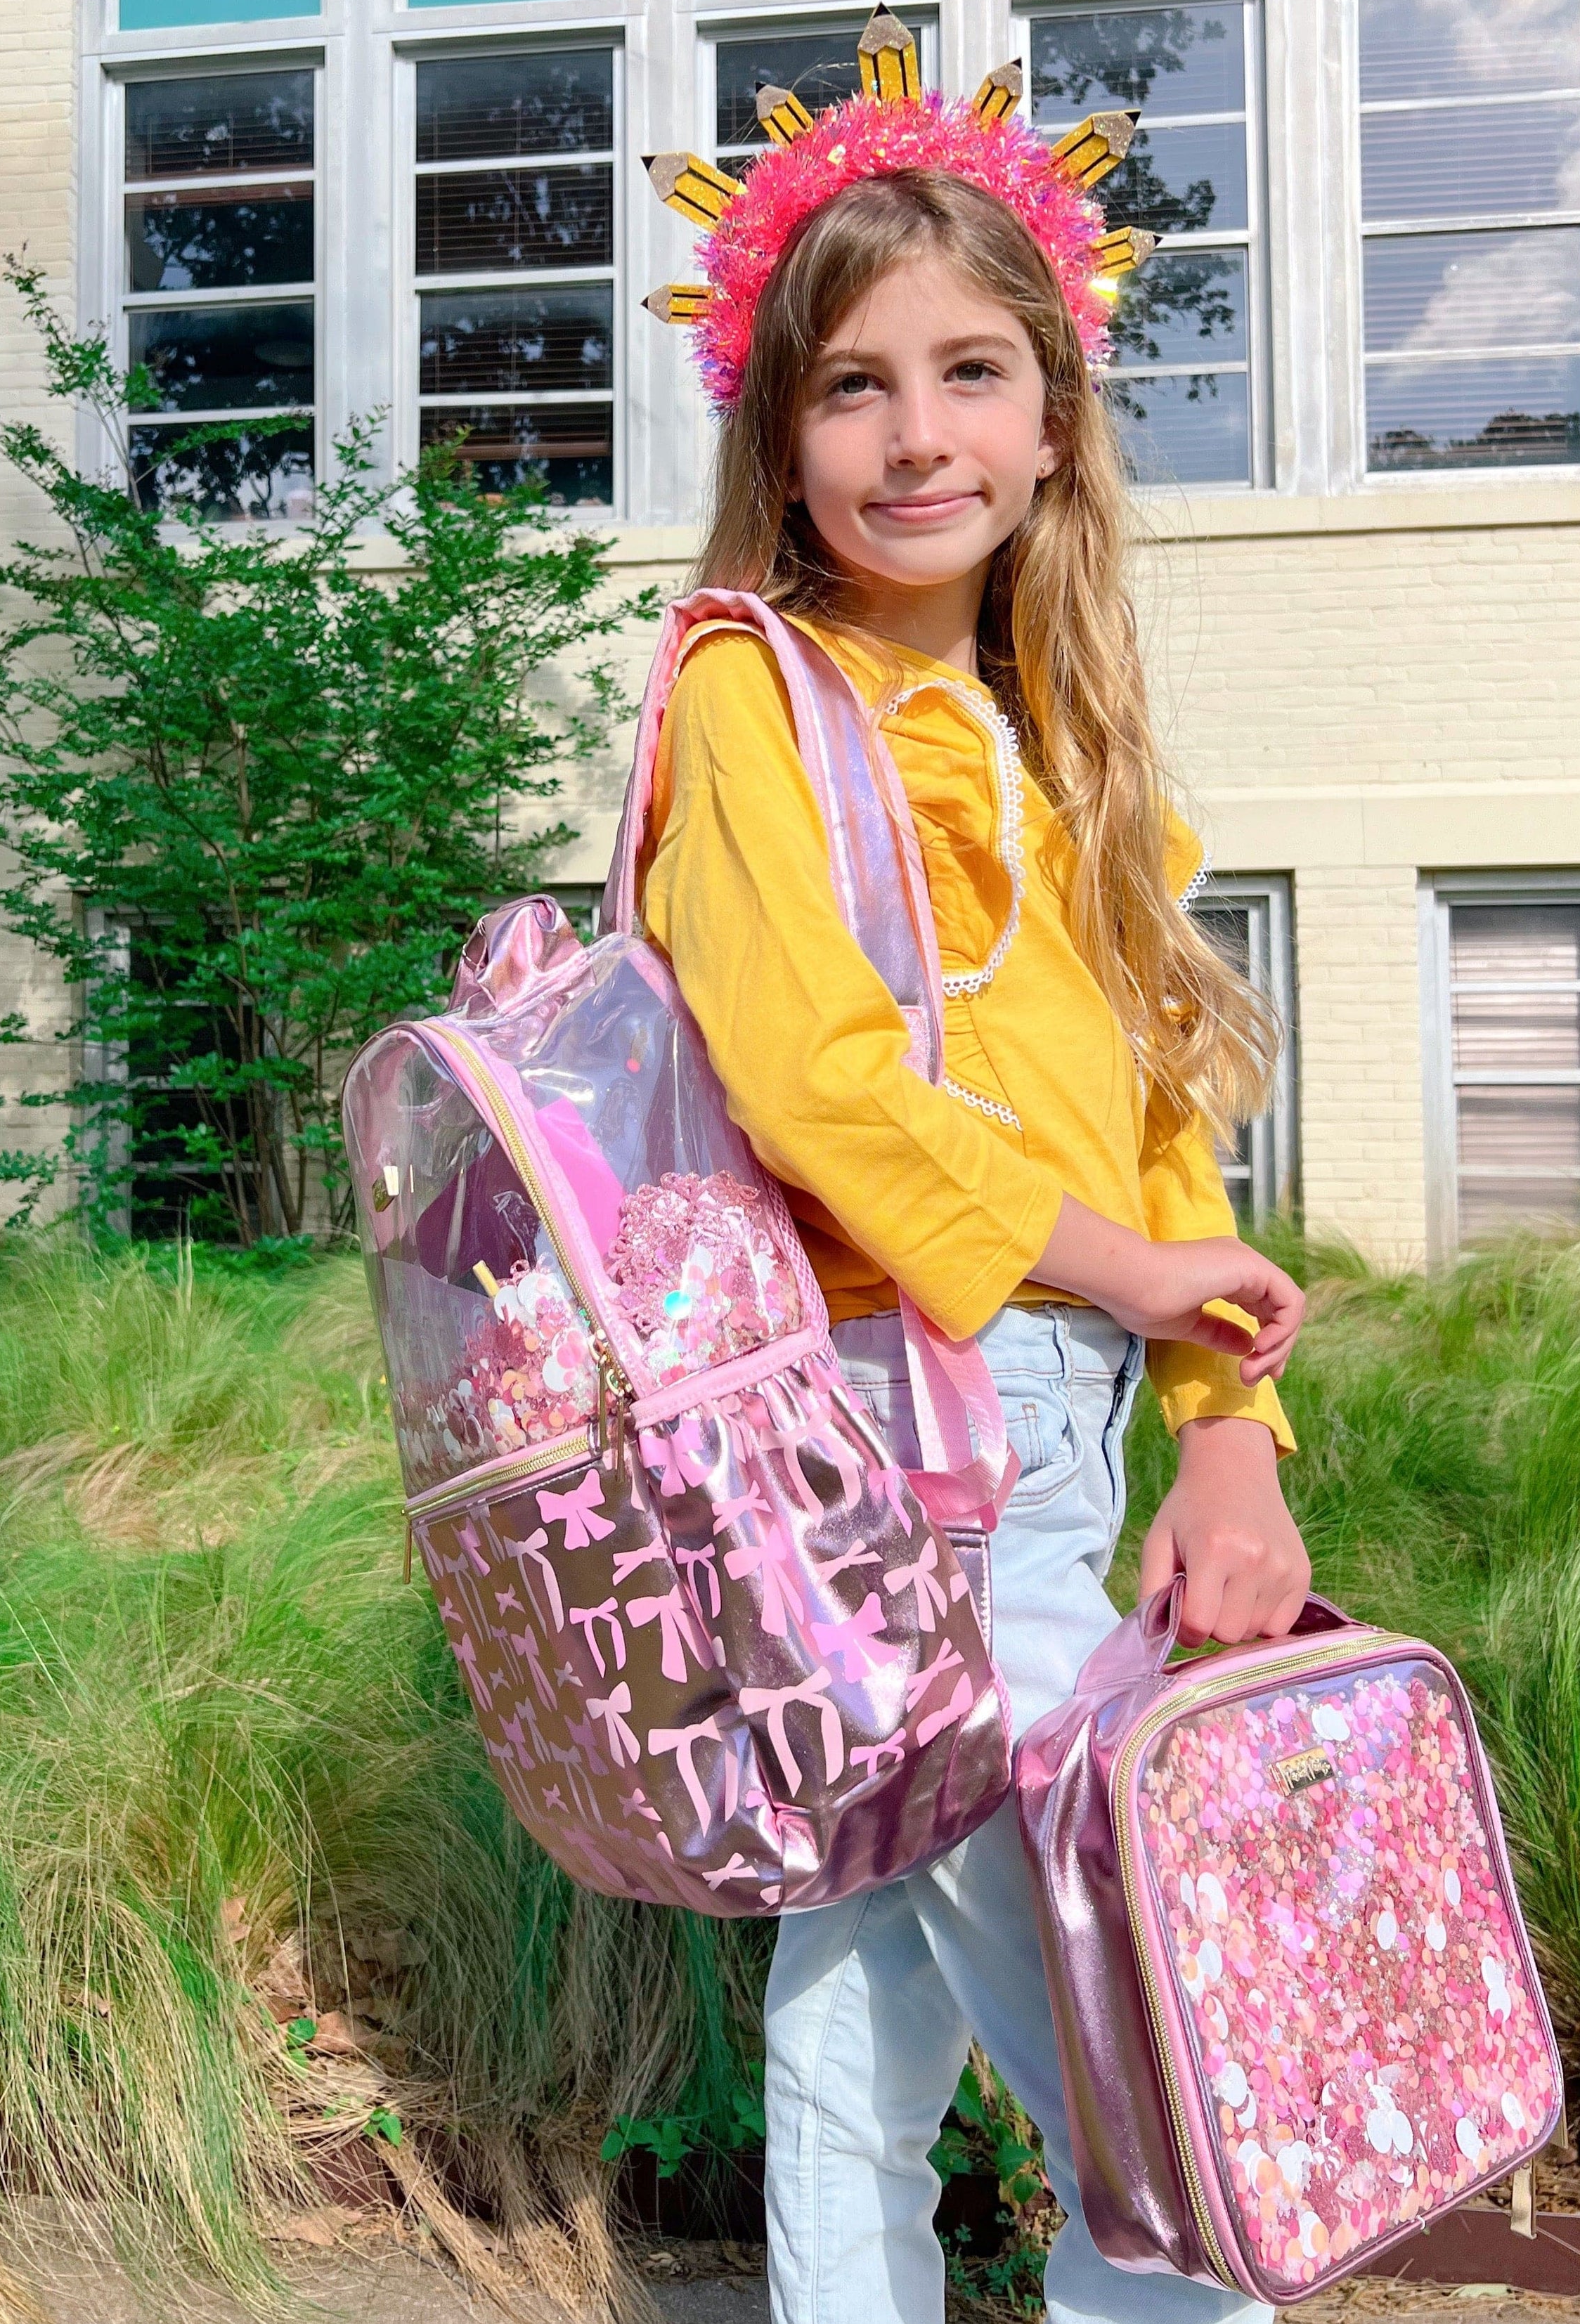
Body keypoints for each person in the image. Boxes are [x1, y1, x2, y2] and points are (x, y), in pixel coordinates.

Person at [637, 148, 1314, 2324]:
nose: (917, 434)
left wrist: (1221, 1426)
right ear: (779, 431)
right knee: (1093, 1945)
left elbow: (1154, 1117)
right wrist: (1115, 1274)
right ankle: (1203, 2295)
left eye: (970, 372)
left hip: (1065, 1388)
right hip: (871, 1404)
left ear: (1052, 416)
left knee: (866, 1945)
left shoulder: (1057, 738)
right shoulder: (761, 689)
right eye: (853, 384)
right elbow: (806, 1066)